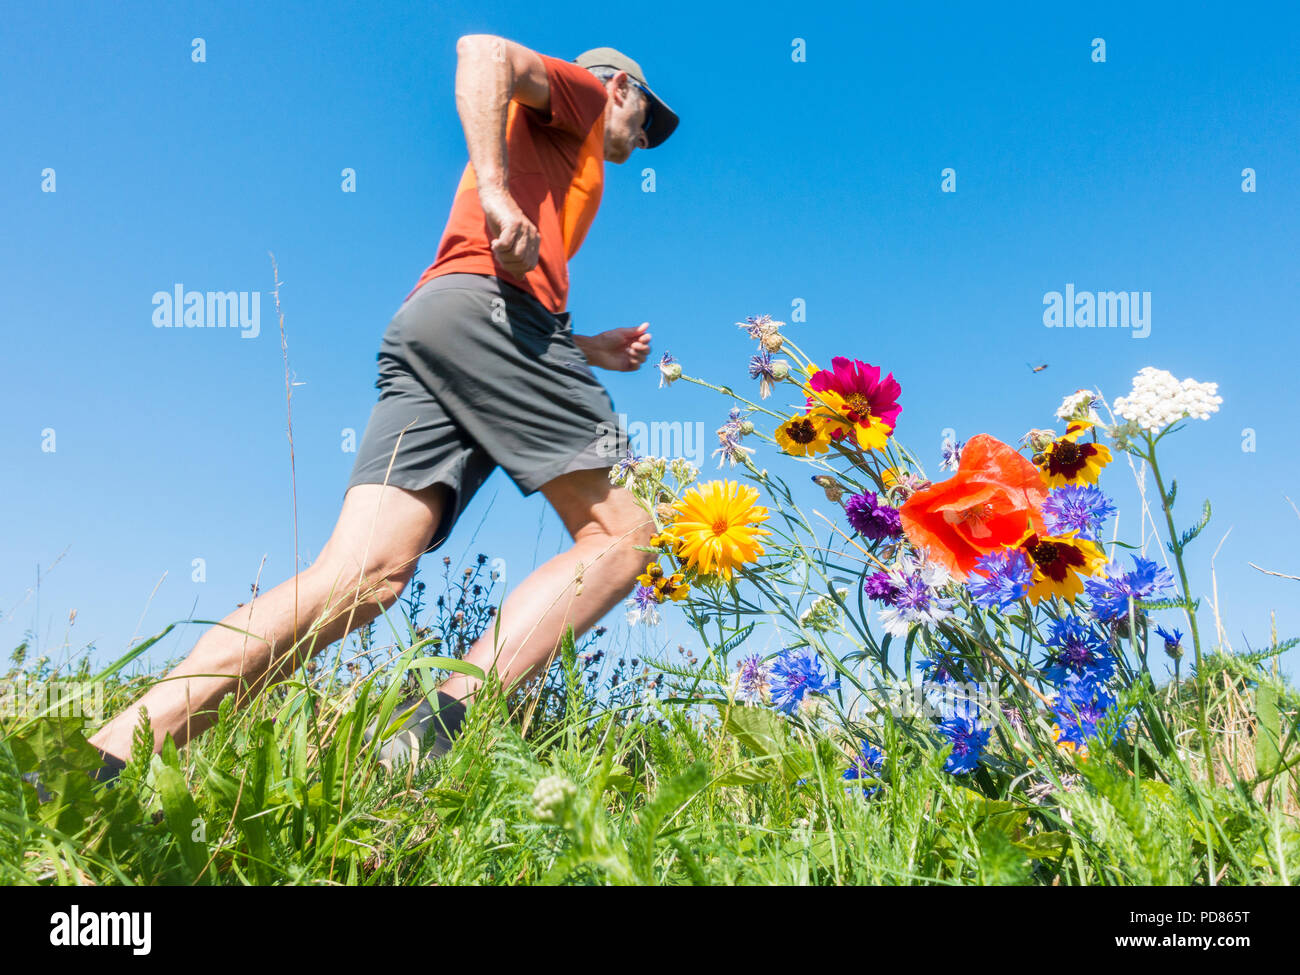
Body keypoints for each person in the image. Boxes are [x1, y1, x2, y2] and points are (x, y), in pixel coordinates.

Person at [47, 37, 679, 793]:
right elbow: (482, 51)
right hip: (497, 316)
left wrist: (585, 346)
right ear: (618, 90)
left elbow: (482, 277)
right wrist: (496, 192)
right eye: (646, 120)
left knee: (361, 576)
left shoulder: (571, 165)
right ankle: (423, 745)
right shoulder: (578, 96)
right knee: (625, 535)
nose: (642, 142)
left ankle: (94, 767)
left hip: (440, 321)